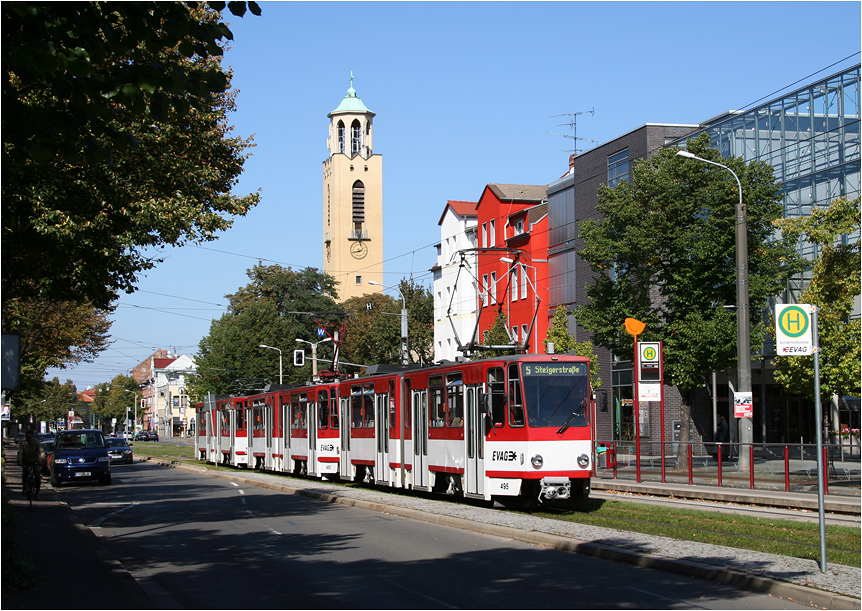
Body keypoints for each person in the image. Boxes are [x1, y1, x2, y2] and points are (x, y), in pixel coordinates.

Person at [17, 430, 45, 498]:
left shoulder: (37, 442)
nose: (29, 439)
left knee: (37, 475)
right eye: (28, 437)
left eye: (30, 437)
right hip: (26, 460)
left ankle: (37, 491)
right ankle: (24, 488)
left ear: (33, 437)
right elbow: (20, 452)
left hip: (35, 460)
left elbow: (41, 451)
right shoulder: (23, 443)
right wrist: (19, 461)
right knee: (25, 473)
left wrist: (42, 459)